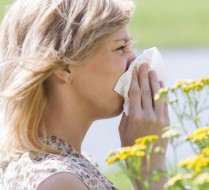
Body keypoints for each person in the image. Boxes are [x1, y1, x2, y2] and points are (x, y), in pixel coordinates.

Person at [0, 0, 169, 189]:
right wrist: (149, 168)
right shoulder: (59, 181)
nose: (134, 61)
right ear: (64, 67)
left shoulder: (56, 164)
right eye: (120, 48)